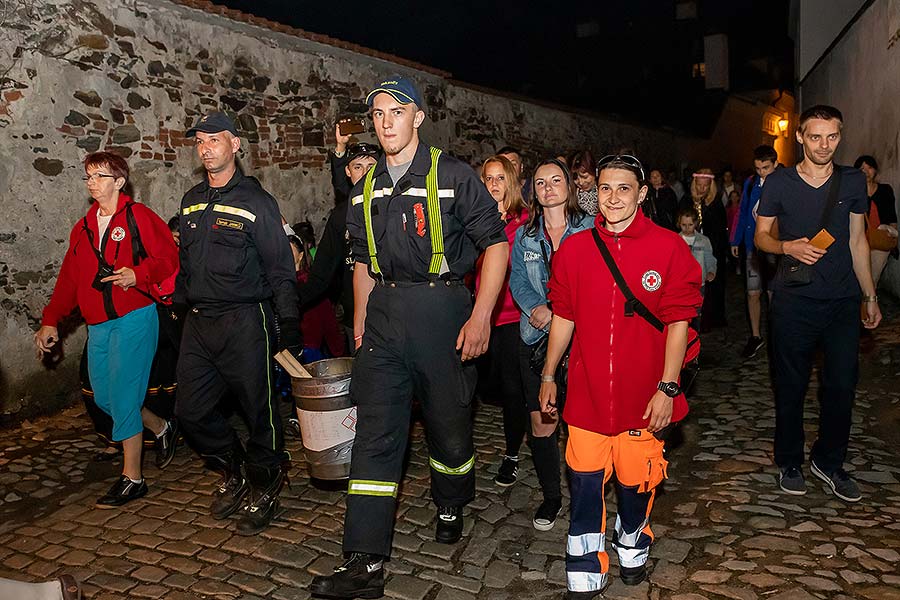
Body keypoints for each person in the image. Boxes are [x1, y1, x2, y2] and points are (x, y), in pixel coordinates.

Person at [309, 76, 509, 600]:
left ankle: (450, 499)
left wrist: (482, 315)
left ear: (417, 116)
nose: (385, 122)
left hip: (444, 312)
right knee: (375, 435)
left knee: (449, 427)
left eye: (395, 112)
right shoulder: (365, 185)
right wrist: (358, 323)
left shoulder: (454, 176)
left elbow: (496, 246)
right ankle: (364, 561)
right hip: (384, 318)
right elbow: (359, 262)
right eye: (377, 114)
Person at [538, 155, 702, 598]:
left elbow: (678, 323)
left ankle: (633, 538)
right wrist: (550, 373)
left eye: (623, 188)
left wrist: (668, 388)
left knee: (637, 480)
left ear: (642, 193)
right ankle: (585, 563)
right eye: (605, 189)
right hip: (588, 395)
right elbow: (564, 317)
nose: (612, 198)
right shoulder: (574, 250)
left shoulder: (669, 248)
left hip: (643, 395)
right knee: (586, 481)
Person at [174, 110, 301, 535]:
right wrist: (178, 304)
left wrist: (289, 323)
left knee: (259, 411)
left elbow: (281, 268)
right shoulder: (191, 199)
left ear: (236, 145)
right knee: (189, 411)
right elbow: (187, 262)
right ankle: (236, 466)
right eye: (200, 142)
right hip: (200, 322)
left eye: (215, 139)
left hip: (247, 320)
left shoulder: (257, 202)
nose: (206, 147)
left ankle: (266, 484)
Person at [35, 151, 178, 507]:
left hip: (135, 318)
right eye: (88, 176)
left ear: (119, 182)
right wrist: (51, 318)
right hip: (99, 324)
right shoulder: (82, 228)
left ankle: (133, 477)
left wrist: (138, 274)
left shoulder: (138, 217)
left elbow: (169, 258)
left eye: (99, 176)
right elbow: (69, 279)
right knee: (104, 397)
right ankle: (161, 427)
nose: (92, 183)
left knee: (125, 396)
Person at [755, 105, 881, 503]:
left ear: (840, 137)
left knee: (842, 384)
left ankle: (829, 461)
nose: (824, 145)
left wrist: (870, 294)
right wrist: (785, 245)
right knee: (790, 384)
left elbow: (858, 240)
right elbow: (761, 237)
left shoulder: (852, 182)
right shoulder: (779, 183)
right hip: (794, 300)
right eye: (815, 137)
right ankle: (789, 460)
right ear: (799, 137)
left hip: (842, 300)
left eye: (832, 137)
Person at [510, 158, 591, 532]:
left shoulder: (590, 231)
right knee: (543, 421)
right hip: (535, 338)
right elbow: (516, 281)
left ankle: (586, 494)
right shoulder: (525, 236)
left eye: (556, 180)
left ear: (568, 186)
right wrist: (535, 308)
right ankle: (551, 496)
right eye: (540, 182)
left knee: (581, 422)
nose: (548, 187)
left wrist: (560, 309)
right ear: (533, 191)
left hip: (583, 341)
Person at [479, 155, 530, 489]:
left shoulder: (524, 222)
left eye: (500, 178)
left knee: (512, 391)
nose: (494, 184)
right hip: (483, 317)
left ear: (511, 182)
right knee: (487, 388)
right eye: (487, 178)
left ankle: (511, 454)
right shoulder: (474, 221)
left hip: (514, 316)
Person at [298, 142, 379, 346]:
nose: (364, 173)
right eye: (358, 167)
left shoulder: (395, 207)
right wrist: (287, 304)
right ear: (348, 172)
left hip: (394, 316)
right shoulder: (341, 216)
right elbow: (322, 271)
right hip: (355, 318)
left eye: (371, 167)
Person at [731, 145, 778, 359]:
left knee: (774, 293)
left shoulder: (786, 183)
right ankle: (756, 336)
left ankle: (778, 336)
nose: (762, 172)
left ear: (775, 164)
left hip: (776, 248)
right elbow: (742, 211)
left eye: (766, 168)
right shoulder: (751, 184)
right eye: (758, 168)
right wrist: (735, 238)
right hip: (752, 247)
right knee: (752, 293)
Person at [681, 168, 728, 330]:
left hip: (710, 249)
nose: (702, 189)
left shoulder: (715, 203)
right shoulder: (687, 201)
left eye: (705, 186)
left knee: (711, 284)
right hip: (689, 248)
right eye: (699, 185)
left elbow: (720, 229)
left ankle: (711, 319)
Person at [854, 154, 898, 287]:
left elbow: (891, 214)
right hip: (860, 241)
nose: (866, 172)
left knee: (873, 278)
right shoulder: (854, 193)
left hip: (880, 240)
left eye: (870, 167)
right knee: (859, 278)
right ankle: (864, 305)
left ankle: (868, 305)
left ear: (875, 170)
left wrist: (893, 235)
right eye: (862, 168)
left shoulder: (885, 190)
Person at [678, 207, 716, 292]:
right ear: (679, 223)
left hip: (699, 283)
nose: (687, 228)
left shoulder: (704, 240)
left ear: (695, 223)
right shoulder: (675, 240)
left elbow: (709, 258)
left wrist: (711, 271)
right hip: (680, 283)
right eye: (683, 225)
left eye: (690, 225)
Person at [570, 150, 598, 215]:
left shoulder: (604, 189)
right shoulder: (573, 193)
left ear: (595, 171)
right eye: (575, 178)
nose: (581, 182)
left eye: (585, 177)